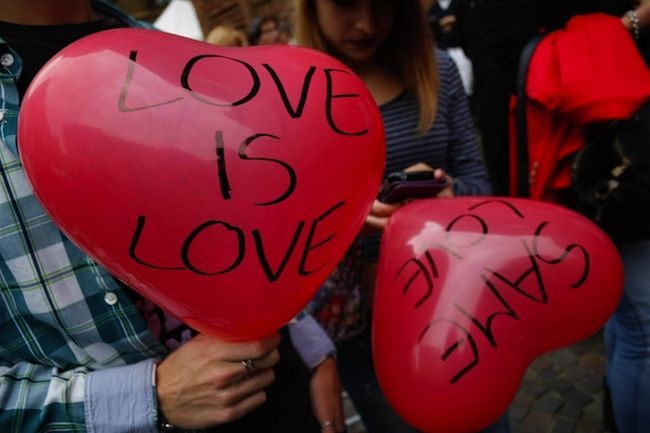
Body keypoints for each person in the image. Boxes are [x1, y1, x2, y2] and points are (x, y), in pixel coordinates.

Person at [0, 1, 345, 432]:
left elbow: (247, 225)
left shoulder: (171, 50)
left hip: (280, 387)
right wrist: (149, 396)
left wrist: (312, 346)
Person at [294, 1, 508, 432]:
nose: (366, 24)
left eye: (384, 4)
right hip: (365, 330)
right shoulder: (291, 94)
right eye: (345, 3)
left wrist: (444, 194)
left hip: (457, 305)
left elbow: (479, 184)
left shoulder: (436, 70)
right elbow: (278, 233)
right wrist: (344, 219)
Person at [476, 1, 650, 432]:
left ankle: (618, 408)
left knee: (631, 316)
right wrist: (635, 22)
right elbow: (515, 58)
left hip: (631, 146)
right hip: (596, 164)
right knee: (644, 326)